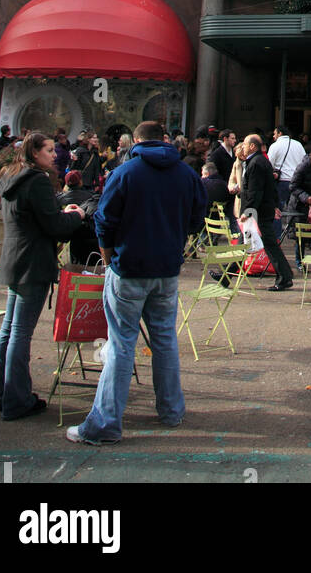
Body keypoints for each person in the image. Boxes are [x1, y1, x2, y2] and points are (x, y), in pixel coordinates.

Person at [66, 121, 206, 444]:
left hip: (128, 268)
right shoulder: (186, 174)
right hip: (166, 269)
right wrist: (175, 239)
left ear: (137, 141)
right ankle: (171, 410)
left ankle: (105, 424)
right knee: (164, 340)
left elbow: (104, 221)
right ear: (164, 140)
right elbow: (197, 219)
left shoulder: (125, 172)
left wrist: (108, 257)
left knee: (121, 344)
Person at [0, 132, 86, 420]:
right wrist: (77, 216)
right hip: (32, 262)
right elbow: (54, 226)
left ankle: (1, 394)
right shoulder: (37, 181)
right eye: (48, 150)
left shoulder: (11, 178)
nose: (54, 155)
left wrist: (61, 212)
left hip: (14, 258)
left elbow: (35, 216)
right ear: (34, 153)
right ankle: (16, 400)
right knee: (19, 332)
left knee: (9, 330)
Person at [239, 133, 294, 292]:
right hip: (262, 208)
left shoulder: (256, 163)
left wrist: (248, 211)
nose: (243, 147)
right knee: (246, 242)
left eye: (245, 144)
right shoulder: (261, 161)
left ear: (252, 146)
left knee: (268, 244)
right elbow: (270, 186)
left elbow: (256, 190)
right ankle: (226, 276)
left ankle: (284, 277)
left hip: (259, 211)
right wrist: (275, 205)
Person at [268, 125, 308, 220]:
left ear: (280, 133)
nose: (273, 136)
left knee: (278, 210)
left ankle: (280, 229)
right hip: (297, 181)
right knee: (294, 210)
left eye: (274, 134)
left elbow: (269, 164)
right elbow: (305, 162)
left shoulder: (275, 146)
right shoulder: (298, 145)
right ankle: (292, 227)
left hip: (282, 181)